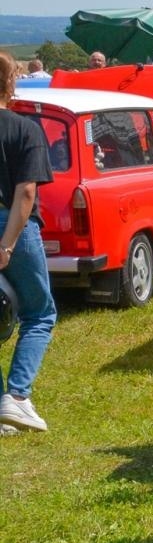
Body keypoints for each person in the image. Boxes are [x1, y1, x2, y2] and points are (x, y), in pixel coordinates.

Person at [0, 54, 58, 434]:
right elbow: (26, 194)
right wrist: (6, 246)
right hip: (11, 225)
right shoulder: (25, 129)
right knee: (40, 313)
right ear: (10, 83)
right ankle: (17, 397)